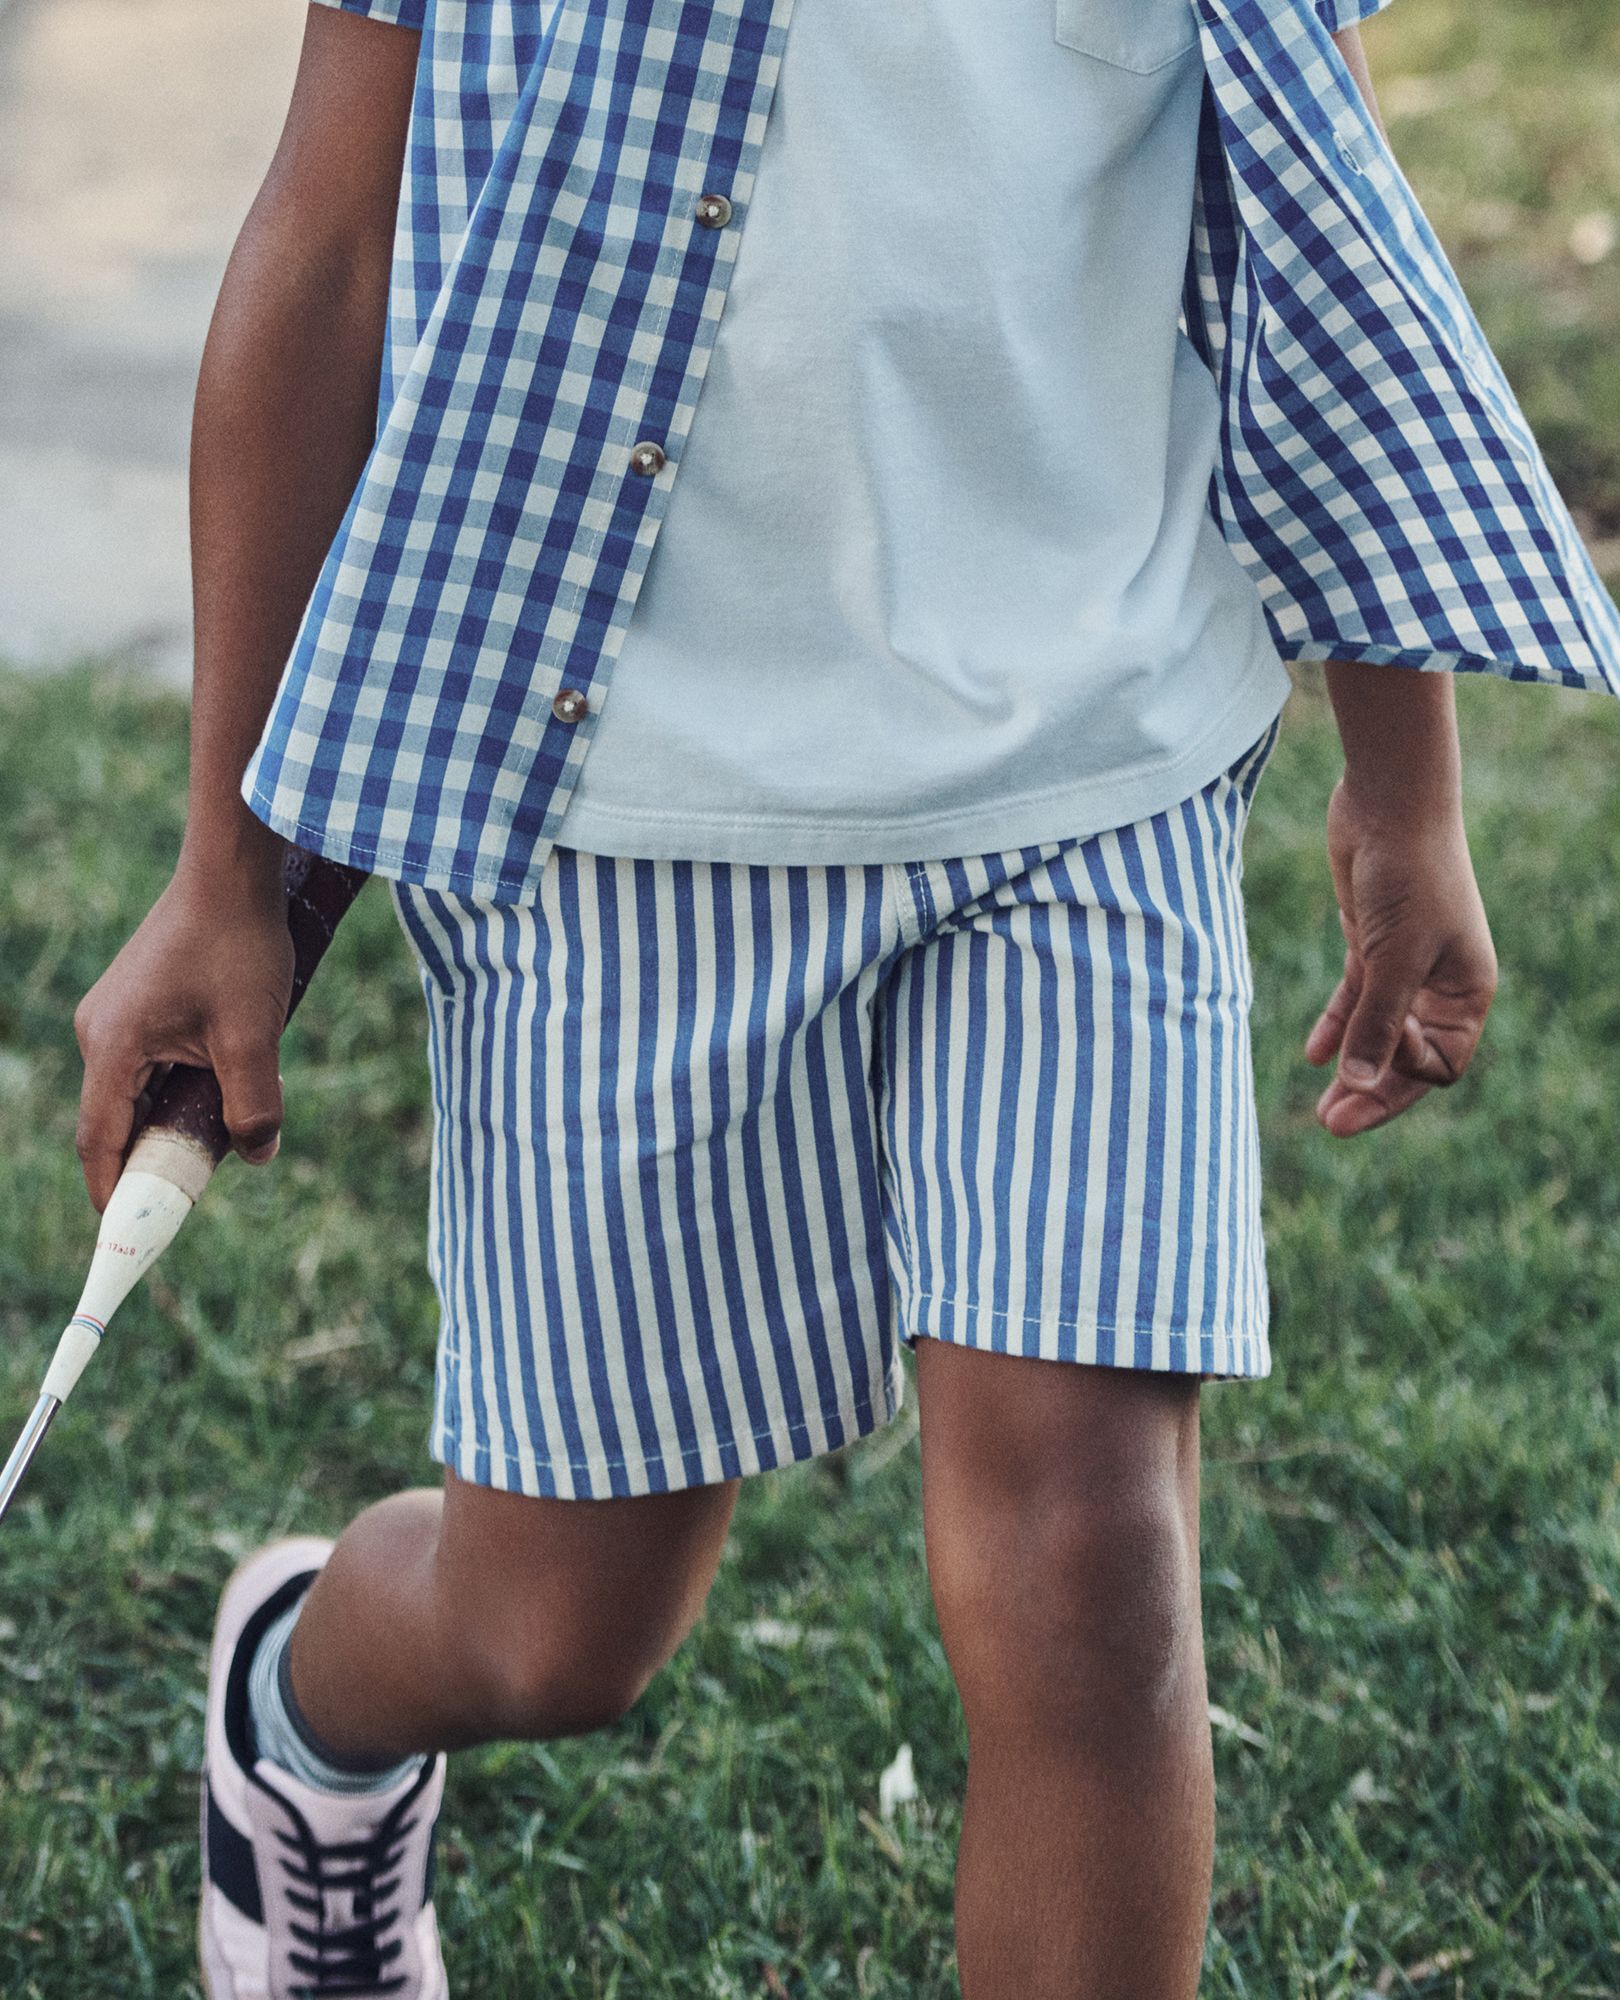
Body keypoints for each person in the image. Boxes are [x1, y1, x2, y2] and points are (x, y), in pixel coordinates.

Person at [69, 0, 1618, 1994]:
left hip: (1089, 759)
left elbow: (1289, 196)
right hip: (613, 800)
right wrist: (224, 868)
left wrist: (1406, 775)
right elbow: (328, 245)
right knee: (557, 1627)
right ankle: (308, 1706)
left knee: (1092, 1567)